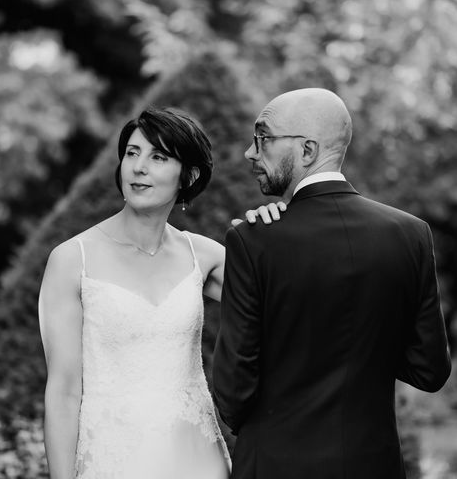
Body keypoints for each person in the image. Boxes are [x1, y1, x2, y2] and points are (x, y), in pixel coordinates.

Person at [212, 88, 452, 479]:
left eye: (263, 138)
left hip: (274, 465)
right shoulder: (411, 234)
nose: (249, 153)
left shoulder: (253, 240)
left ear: (307, 150)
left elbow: (231, 390)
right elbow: (430, 370)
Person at [38, 107, 283, 479]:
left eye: (158, 157)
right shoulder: (73, 260)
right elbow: (64, 391)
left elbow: (286, 299)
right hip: (111, 460)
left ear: (189, 175)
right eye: (132, 153)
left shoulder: (204, 257)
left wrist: (277, 230)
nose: (139, 167)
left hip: (197, 459)